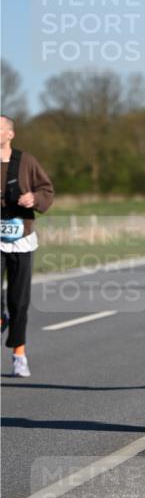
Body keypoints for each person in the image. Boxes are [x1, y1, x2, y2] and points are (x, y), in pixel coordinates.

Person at [1, 115, 55, 377]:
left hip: (21, 239)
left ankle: (19, 354)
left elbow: (47, 191)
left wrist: (34, 198)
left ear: (10, 134)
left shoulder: (26, 161)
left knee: (19, 301)